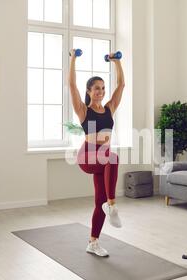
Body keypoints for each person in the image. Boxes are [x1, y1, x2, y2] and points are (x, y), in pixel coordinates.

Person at [68, 49, 125, 257]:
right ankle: (112, 206)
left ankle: (93, 242)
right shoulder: (84, 111)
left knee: (98, 201)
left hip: (103, 160)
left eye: (102, 88)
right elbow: (72, 85)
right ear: (89, 91)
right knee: (113, 157)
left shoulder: (110, 108)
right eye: (96, 89)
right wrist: (73, 58)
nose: (101, 91)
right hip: (87, 157)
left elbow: (121, 85)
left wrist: (116, 62)